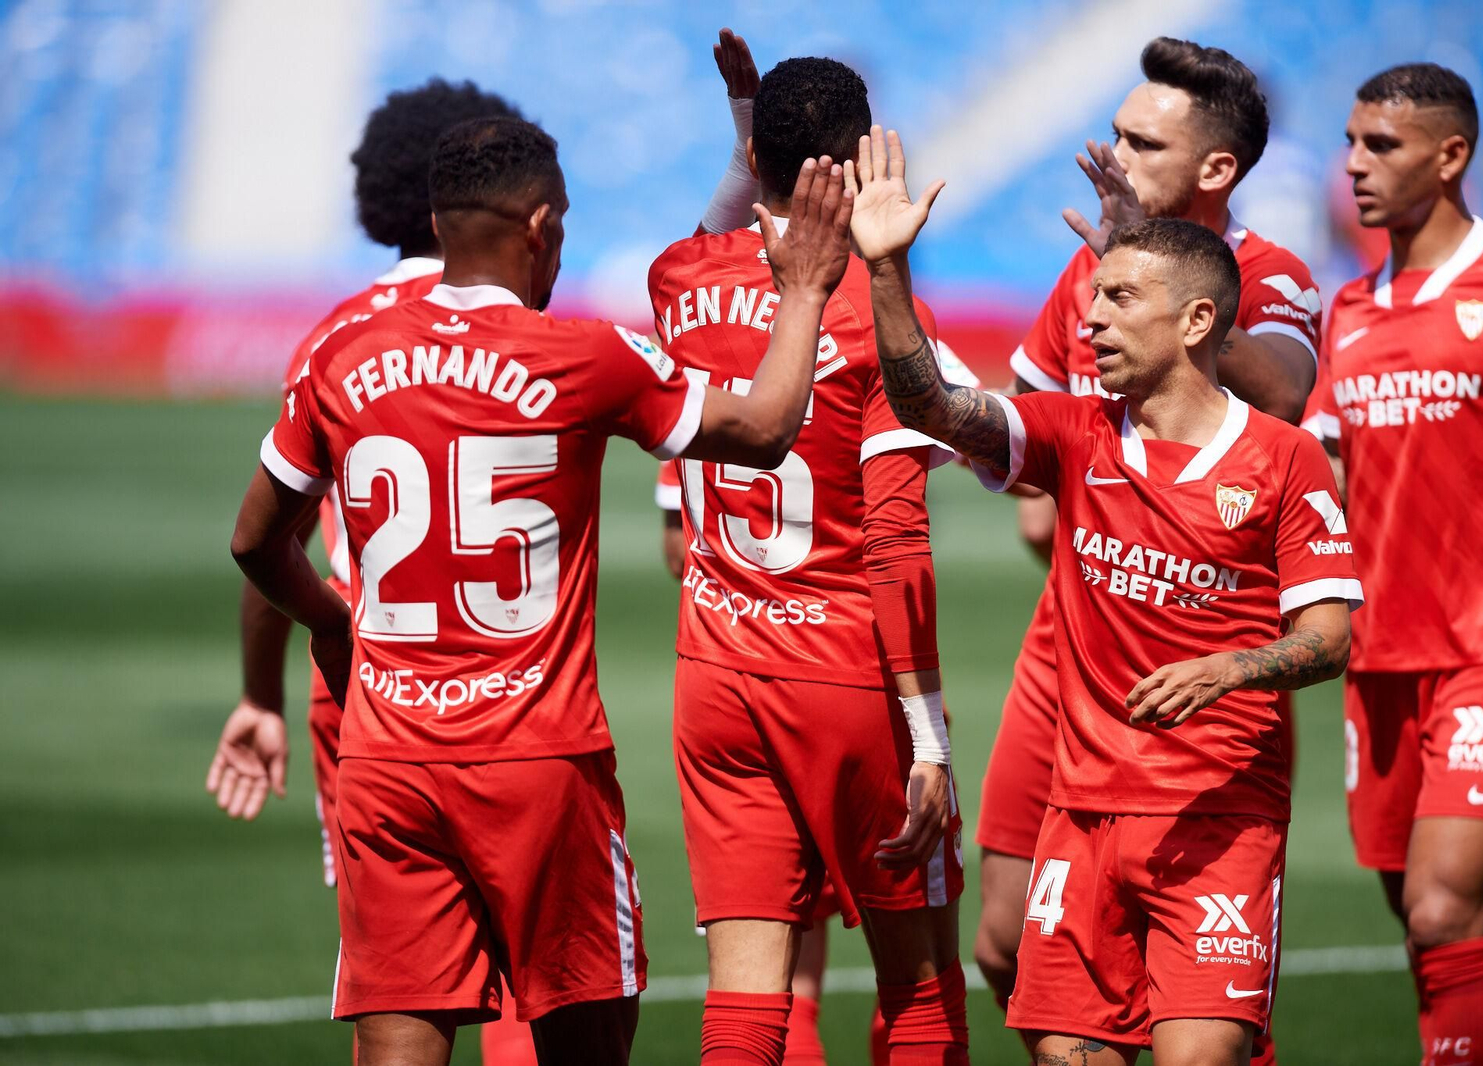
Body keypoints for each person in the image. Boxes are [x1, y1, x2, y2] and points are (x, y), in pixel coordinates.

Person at [229, 116, 853, 1066]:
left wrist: (330, 623)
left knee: (399, 1045)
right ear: (544, 228)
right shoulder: (588, 357)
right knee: (587, 1042)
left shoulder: (340, 356)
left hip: (387, 763)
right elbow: (766, 430)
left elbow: (253, 542)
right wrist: (805, 284)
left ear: (437, 224)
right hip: (538, 761)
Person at [849, 126, 1361, 1065]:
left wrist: (1232, 667)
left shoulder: (1285, 460)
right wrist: (886, 271)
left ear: (1198, 322)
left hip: (1218, 819)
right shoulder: (1076, 433)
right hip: (1080, 817)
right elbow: (932, 407)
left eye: (1121, 299)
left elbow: (1329, 640)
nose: (1093, 320)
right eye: (1093, 298)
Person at [974, 42, 1321, 1065]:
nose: (1112, 154)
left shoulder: (1271, 274)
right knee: (1003, 940)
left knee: (1204, 1010)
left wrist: (1155, 269)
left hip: (1203, 664)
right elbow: (1032, 413)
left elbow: (1286, 393)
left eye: (1141, 140)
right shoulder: (1093, 268)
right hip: (1069, 653)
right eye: (1115, 132)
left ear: (1215, 170)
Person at [200, 78, 538, 1066]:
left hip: (364, 701)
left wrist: (262, 692)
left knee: (398, 982)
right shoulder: (537, 334)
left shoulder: (336, 340)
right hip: (519, 693)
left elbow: (274, 542)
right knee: (532, 978)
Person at [648, 57, 968, 1066]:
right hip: (849, 680)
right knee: (916, 982)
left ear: (757, 158)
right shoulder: (880, 326)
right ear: (864, 158)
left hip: (716, 672)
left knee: (746, 1000)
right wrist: (927, 739)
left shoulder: (678, 282)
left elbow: (717, 230)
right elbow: (897, 543)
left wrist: (749, 127)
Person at [1301, 63, 1483, 1066]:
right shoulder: (1347, 310)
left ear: (1451, 154)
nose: (1353, 166)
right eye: (1349, 143)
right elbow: (1315, 473)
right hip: (1379, 659)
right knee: (1433, 935)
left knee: (1438, 905)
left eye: (1379, 146)